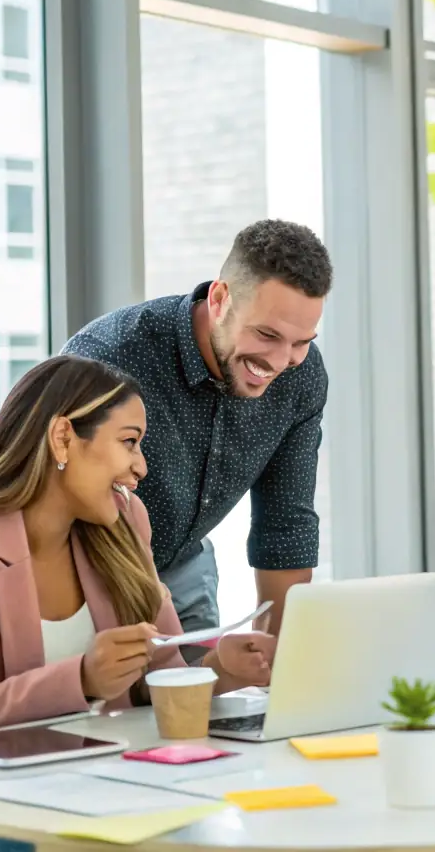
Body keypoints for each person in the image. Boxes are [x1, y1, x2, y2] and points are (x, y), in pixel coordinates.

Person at [0, 356, 274, 852]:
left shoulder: (124, 522)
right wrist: (82, 678)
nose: (141, 466)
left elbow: (155, 679)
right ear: (64, 437)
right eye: (128, 442)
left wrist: (220, 669)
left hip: (80, 788)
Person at [62, 219, 332, 649]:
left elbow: (286, 527)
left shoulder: (302, 377)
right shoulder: (110, 357)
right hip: (88, 567)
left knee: (201, 706)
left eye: (301, 342)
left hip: (186, 567)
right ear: (221, 298)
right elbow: (55, 507)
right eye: (267, 335)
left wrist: (280, 668)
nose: (282, 361)